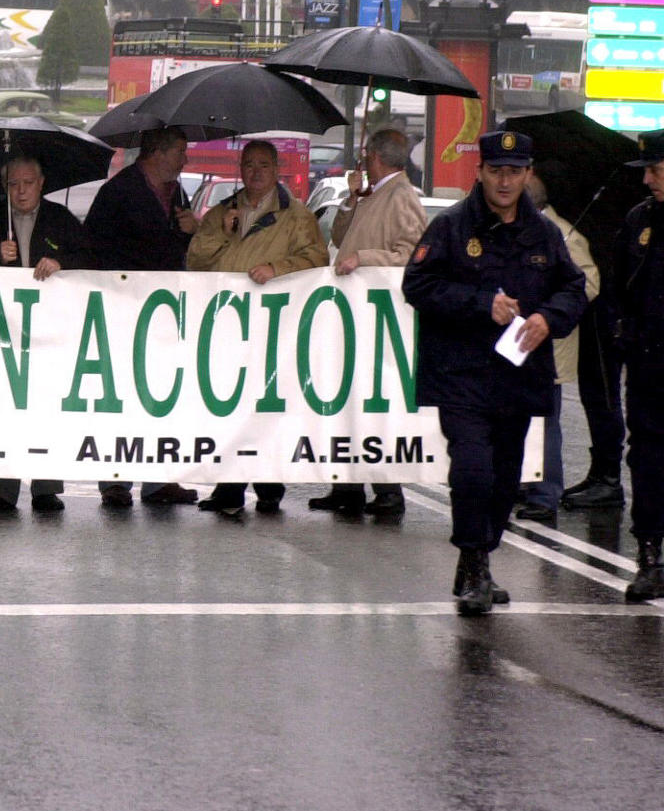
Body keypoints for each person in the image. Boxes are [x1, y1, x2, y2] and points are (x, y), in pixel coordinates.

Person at [404, 130, 586, 615]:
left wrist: (549, 318)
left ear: (528, 175)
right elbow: (417, 284)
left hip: (518, 377)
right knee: (473, 471)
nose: (504, 181)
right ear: (479, 172)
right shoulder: (452, 226)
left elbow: (573, 287)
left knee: (505, 477)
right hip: (462, 374)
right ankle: (473, 558)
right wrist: (481, 304)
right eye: (495, 171)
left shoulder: (544, 233)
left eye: (514, 172)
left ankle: (480, 554)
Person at [187, 140, 327, 515]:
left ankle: (268, 483)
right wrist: (222, 233)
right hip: (227, 324)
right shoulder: (222, 211)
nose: (256, 172)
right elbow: (195, 259)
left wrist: (276, 270)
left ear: (276, 168)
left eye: (263, 165)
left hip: (274, 327)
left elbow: (316, 259)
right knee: (230, 408)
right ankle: (229, 487)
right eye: (249, 165)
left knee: (266, 409)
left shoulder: (297, 216)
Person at [0, 153, 92, 512]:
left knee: (47, 404)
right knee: (1, 406)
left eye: (27, 183)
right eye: (13, 184)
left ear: (41, 183)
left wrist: (61, 263)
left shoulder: (61, 220)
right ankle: (1, 490)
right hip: (0, 331)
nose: (20, 191)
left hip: (50, 331)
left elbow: (91, 259)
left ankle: (46, 488)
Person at [81, 126, 200, 507]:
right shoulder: (117, 192)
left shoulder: (177, 193)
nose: (185, 160)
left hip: (164, 312)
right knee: (119, 397)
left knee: (160, 395)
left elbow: (175, 250)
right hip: (122, 309)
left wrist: (189, 232)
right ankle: (115, 479)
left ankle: (159, 478)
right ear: (157, 153)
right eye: (180, 152)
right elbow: (93, 249)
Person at [316, 126, 429, 516]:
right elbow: (340, 233)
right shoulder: (374, 193)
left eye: (365, 155)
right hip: (354, 313)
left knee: (372, 403)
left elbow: (414, 253)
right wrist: (351, 198)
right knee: (347, 399)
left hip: (377, 315)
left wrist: (365, 258)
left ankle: (387, 489)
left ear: (373, 156)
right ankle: (347, 486)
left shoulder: (401, 197)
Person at [514, 172, 597, 524]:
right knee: (521, 418)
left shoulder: (563, 233)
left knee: (546, 422)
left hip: (551, 345)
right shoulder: (527, 230)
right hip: (519, 343)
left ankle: (545, 493)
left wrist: (552, 306)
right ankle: (527, 480)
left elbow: (589, 284)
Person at [607, 131, 664, 600]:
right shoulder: (638, 220)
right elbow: (617, 286)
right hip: (647, 366)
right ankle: (649, 558)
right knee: (645, 459)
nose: (647, 180)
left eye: (655, 170)